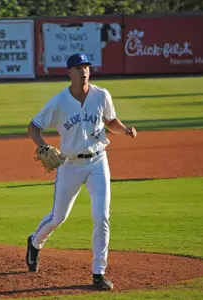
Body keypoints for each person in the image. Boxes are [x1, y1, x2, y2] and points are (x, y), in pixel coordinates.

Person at [25, 53, 137, 290]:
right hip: (70, 165)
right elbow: (33, 126)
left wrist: (125, 130)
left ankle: (99, 272)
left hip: (98, 162)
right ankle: (35, 242)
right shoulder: (59, 102)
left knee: (101, 216)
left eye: (86, 66)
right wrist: (42, 146)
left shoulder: (101, 95)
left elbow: (111, 121)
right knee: (58, 217)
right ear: (69, 73)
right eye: (78, 68)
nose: (84, 71)